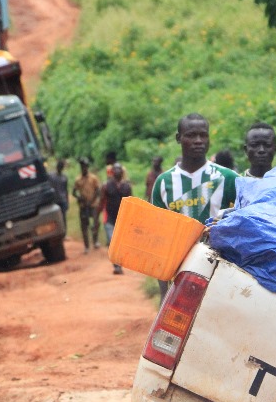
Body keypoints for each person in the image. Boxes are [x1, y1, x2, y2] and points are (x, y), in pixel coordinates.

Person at [151, 113, 238, 295]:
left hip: (220, 275)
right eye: (191, 135)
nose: (198, 141)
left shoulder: (229, 179)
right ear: (178, 138)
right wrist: (163, 292)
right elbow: (159, 240)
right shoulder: (163, 183)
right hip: (178, 276)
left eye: (203, 135)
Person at [101, 162, 133, 274]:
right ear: (112, 172)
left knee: (120, 243)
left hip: (122, 219)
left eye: (119, 169)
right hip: (109, 218)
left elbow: (131, 203)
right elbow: (102, 201)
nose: (117, 171)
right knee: (112, 241)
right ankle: (117, 266)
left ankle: (119, 264)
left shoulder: (127, 186)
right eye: (115, 169)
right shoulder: (106, 186)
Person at [72, 158, 102, 254]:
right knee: (84, 226)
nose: (84, 168)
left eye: (85, 166)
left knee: (96, 223)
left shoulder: (93, 178)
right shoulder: (78, 179)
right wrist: (79, 198)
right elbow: (74, 192)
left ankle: (95, 241)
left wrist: (93, 199)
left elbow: (98, 190)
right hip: (83, 206)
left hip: (93, 205)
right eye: (82, 166)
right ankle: (86, 246)